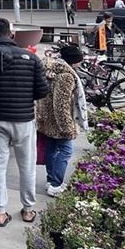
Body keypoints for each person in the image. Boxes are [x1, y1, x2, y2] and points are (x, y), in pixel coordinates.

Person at [0, 18, 49, 227]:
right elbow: (42, 90)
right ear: (11, 33)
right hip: (23, 119)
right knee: (27, 165)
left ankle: (0, 212)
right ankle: (29, 209)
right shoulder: (30, 58)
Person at [36, 44, 88, 197]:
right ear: (74, 61)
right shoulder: (66, 76)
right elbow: (62, 104)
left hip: (47, 118)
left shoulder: (51, 70)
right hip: (59, 121)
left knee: (52, 149)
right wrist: (67, 127)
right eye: (79, 61)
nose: (80, 64)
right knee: (66, 151)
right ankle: (55, 184)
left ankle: (51, 180)